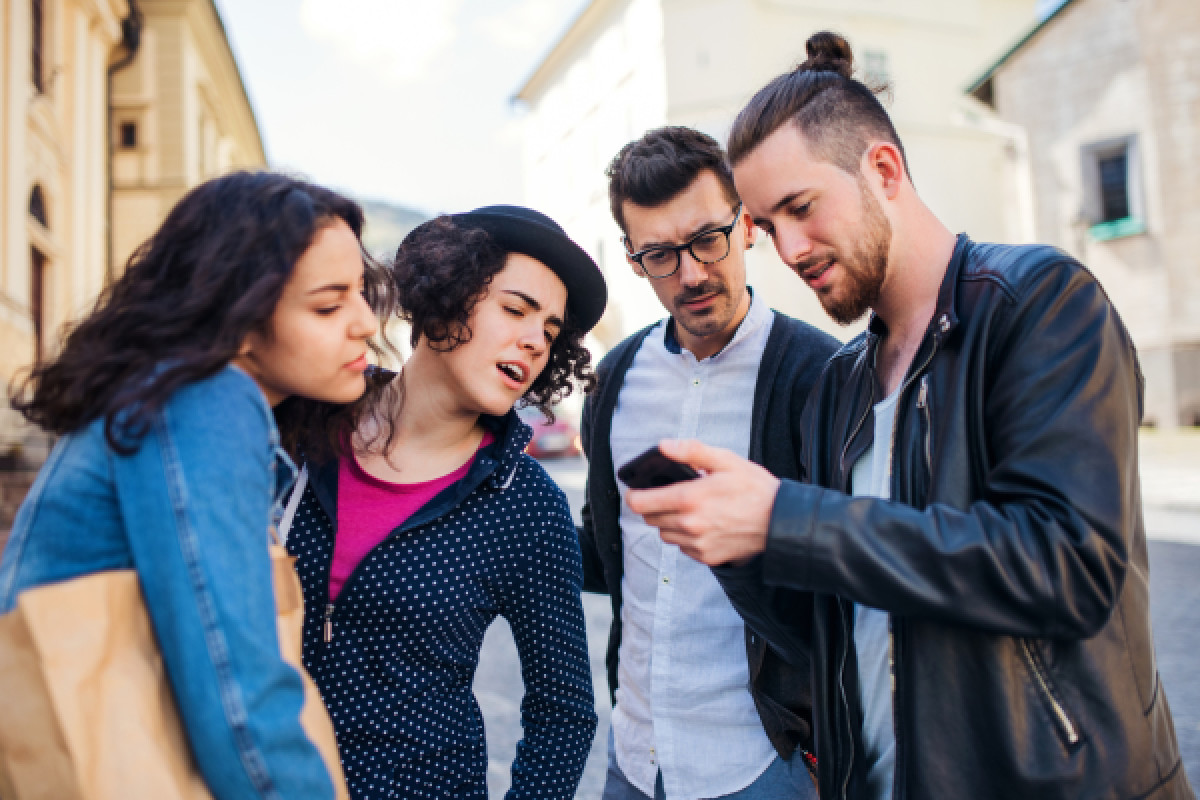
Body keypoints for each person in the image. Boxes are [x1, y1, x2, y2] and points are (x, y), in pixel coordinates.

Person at [625, 32, 1194, 800]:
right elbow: (833, 628)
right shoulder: (838, 387)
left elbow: (1067, 568)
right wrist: (737, 542)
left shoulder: (1040, 303)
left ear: (883, 170)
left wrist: (788, 519)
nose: (789, 249)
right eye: (767, 223)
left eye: (801, 207)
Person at [0, 171, 386, 798]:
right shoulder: (206, 400)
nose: (366, 322)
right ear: (237, 313)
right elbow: (235, 687)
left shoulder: (170, 394)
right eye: (328, 303)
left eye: (362, 293)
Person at [283, 207, 604, 799]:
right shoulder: (302, 430)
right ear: (446, 295)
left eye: (551, 332)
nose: (535, 340)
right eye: (515, 309)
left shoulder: (526, 507)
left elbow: (564, 714)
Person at [579, 126, 838, 800]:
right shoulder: (613, 381)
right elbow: (608, 552)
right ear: (635, 264)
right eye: (661, 254)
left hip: (762, 759)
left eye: (706, 240)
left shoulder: (822, 376)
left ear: (747, 225)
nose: (691, 273)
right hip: (634, 754)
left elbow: (849, 579)